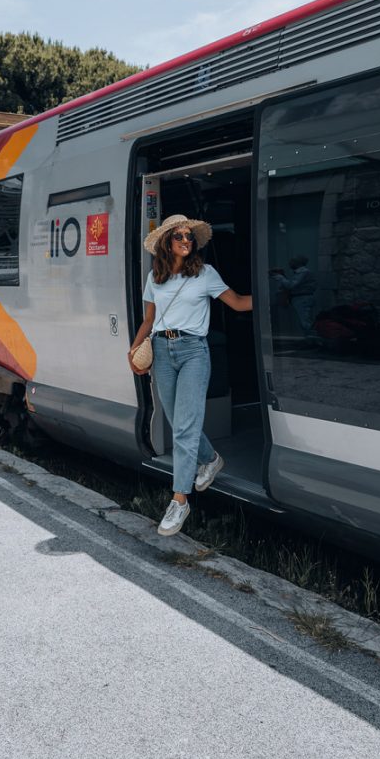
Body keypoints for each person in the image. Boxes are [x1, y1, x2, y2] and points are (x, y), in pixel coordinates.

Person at [128, 214, 252, 537]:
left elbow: (237, 303)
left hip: (194, 351)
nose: (186, 240)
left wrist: (268, 301)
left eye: (189, 236)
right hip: (161, 351)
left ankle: (180, 499)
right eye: (179, 236)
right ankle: (210, 459)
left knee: (184, 427)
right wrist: (134, 349)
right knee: (175, 420)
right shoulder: (155, 277)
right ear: (167, 242)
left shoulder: (205, 274)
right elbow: (149, 319)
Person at [270, 255, 316, 335]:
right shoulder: (300, 272)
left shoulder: (303, 272)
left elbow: (291, 285)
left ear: (298, 263)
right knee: (304, 321)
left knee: (305, 322)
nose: (289, 263)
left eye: (292, 261)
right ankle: (310, 339)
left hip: (302, 299)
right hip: (301, 298)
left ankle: (314, 339)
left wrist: (280, 277)